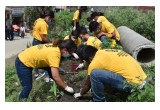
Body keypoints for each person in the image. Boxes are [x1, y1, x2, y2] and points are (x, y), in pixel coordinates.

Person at [74, 45, 147, 102]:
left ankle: (99, 101)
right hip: (143, 79)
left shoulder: (95, 62)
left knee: (95, 74)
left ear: (90, 58)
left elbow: (87, 84)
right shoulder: (104, 52)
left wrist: (80, 94)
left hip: (134, 85)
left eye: (87, 61)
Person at [32, 10, 54, 81]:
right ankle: (47, 77)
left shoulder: (37, 20)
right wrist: (50, 43)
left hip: (35, 41)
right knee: (45, 60)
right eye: (50, 19)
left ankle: (36, 73)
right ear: (48, 17)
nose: (50, 20)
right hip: (39, 42)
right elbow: (43, 37)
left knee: (36, 58)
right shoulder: (43, 24)